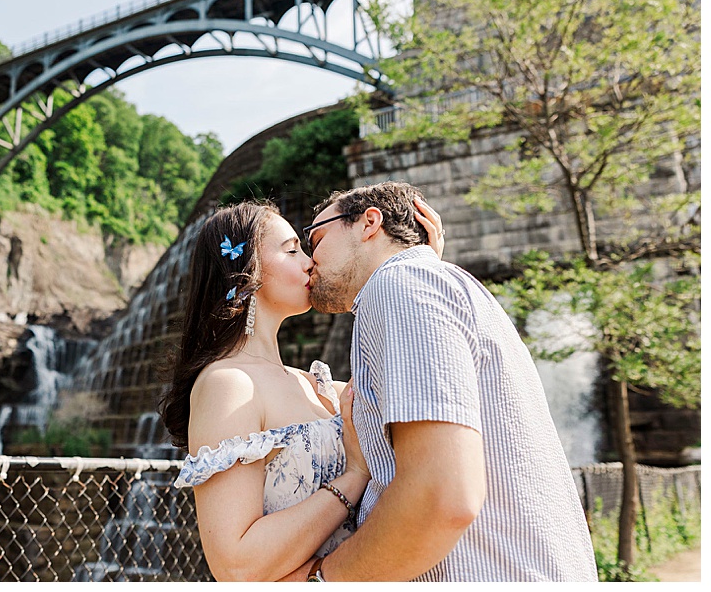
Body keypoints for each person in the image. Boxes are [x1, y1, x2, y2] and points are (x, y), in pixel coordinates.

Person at [303, 181, 598, 582]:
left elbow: (441, 496)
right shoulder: (437, 286)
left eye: (316, 238)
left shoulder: (400, 287)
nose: (308, 259)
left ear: (369, 222)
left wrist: (323, 580)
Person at [164, 203, 369, 581]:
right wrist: (353, 477)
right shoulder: (229, 385)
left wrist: (419, 264)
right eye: (292, 250)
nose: (310, 262)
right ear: (247, 273)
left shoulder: (320, 384)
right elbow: (236, 564)